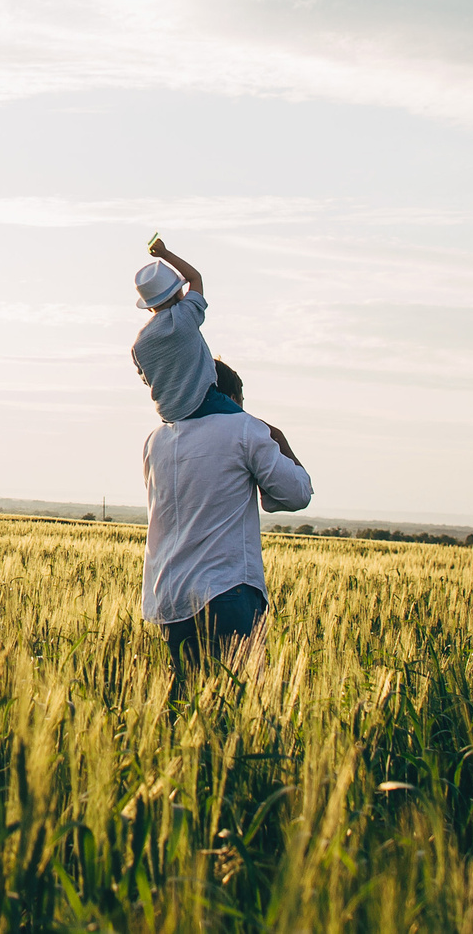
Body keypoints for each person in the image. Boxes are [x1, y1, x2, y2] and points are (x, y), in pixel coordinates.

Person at [140, 357, 312, 685]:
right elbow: (296, 493)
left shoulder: (156, 440)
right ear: (232, 398)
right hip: (228, 589)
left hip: (172, 596)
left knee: (189, 705)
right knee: (235, 706)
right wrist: (278, 438)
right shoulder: (244, 429)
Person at [131, 235, 224, 421]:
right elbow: (195, 277)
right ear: (178, 292)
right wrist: (165, 254)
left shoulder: (139, 344)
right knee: (253, 429)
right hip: (205, 402)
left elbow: (146, 378)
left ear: (149, 306)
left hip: (169, 415)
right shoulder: (184, 316)